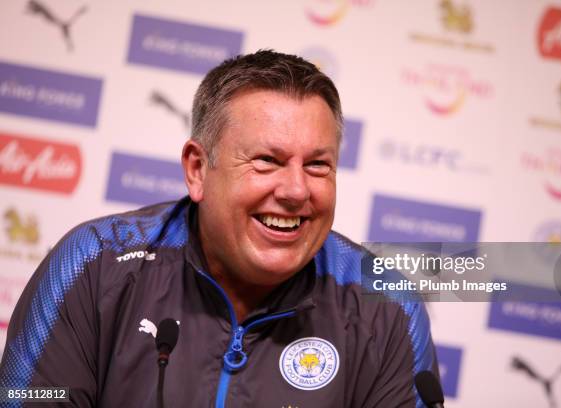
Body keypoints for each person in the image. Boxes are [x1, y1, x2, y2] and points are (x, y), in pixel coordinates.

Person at [0, 50, 438, 407]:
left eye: (318, 165)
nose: (295, 190)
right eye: (267, 160)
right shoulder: (95, 265)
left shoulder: (386, 305)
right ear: (197, 169)